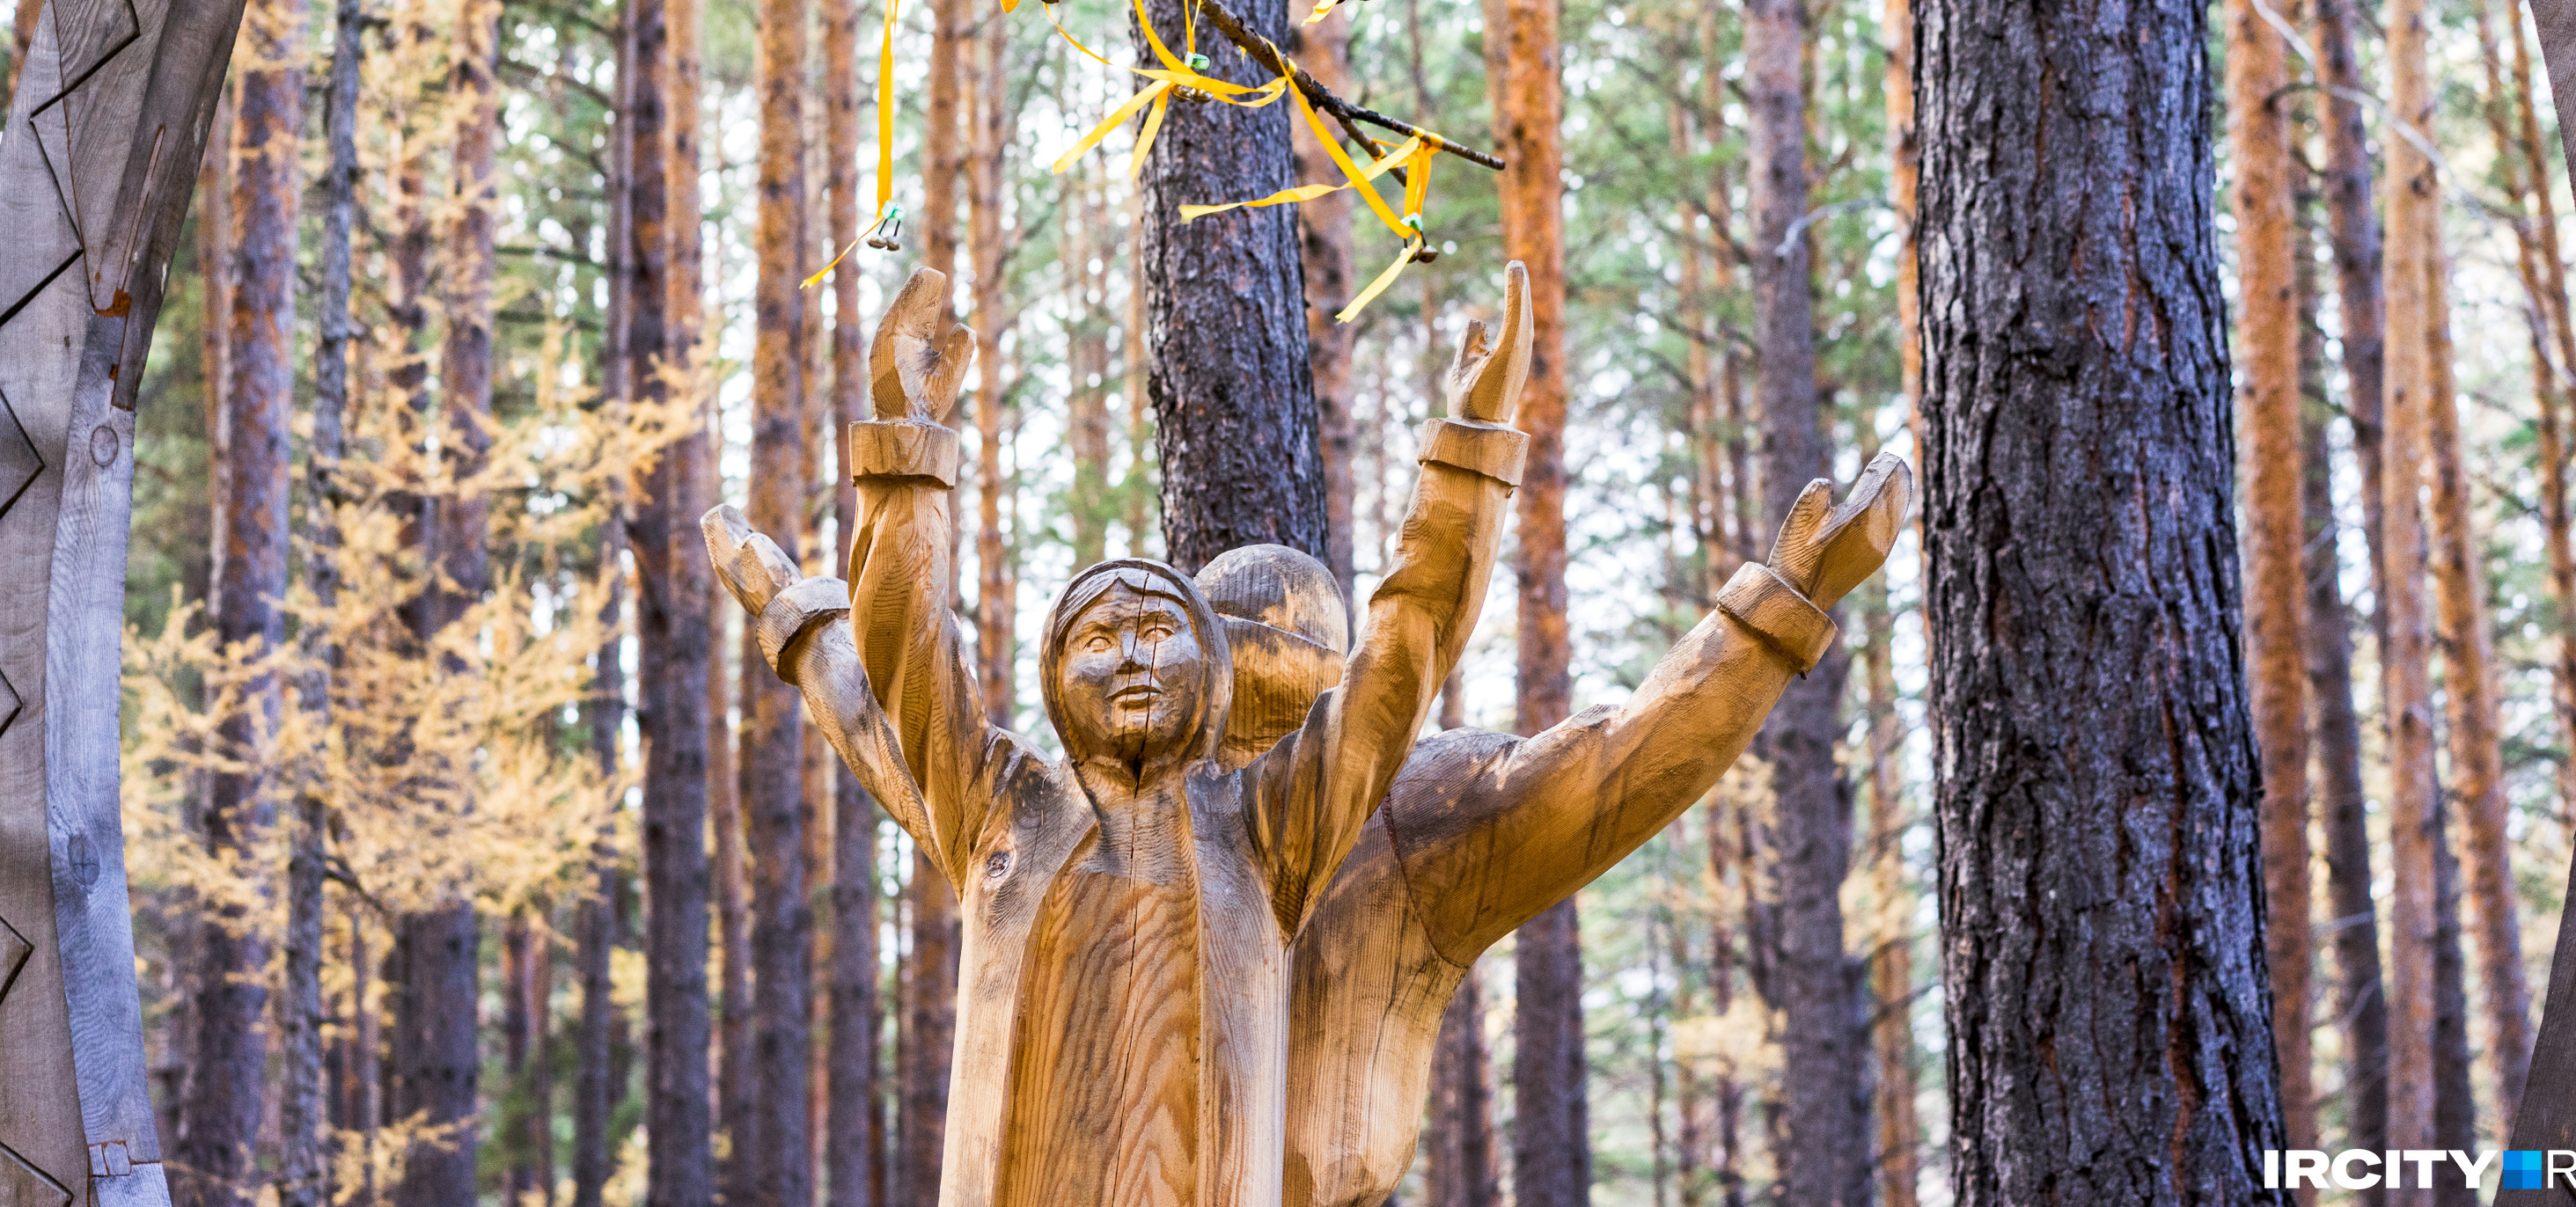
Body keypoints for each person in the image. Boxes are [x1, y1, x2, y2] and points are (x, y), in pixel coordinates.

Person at [704, 261, 1532, 1207]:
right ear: (1057, 677)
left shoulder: (1270, 835)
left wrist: (1468, 457)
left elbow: (1402, 657)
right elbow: (895, 666)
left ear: (1213, 666)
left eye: (1157, 632)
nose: (1131, 658)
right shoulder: (996, 808)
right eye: (1097, 638)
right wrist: (907, 449)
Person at [1192, 455, 1911, 1207]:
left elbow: (1616, 766)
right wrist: (1782, 605)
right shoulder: (1134, 824)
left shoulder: (1403, 806)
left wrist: (1781, 605)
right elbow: (1616, 766)